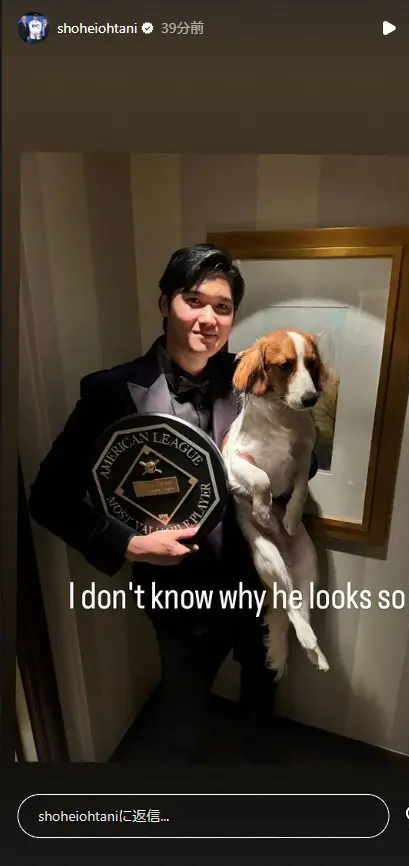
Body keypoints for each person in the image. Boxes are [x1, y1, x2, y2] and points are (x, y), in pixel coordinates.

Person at [29, 244, 318, 764]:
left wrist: (278, 469)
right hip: (180, 597)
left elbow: (305, 454)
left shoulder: (254, 375)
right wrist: (131, 545)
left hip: (263, 580)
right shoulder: (110, 392)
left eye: (223, 307)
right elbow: (49, 497)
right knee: (181, 724)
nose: (209, 318)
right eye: (194, 300)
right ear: (165, 303)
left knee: (262, 705)